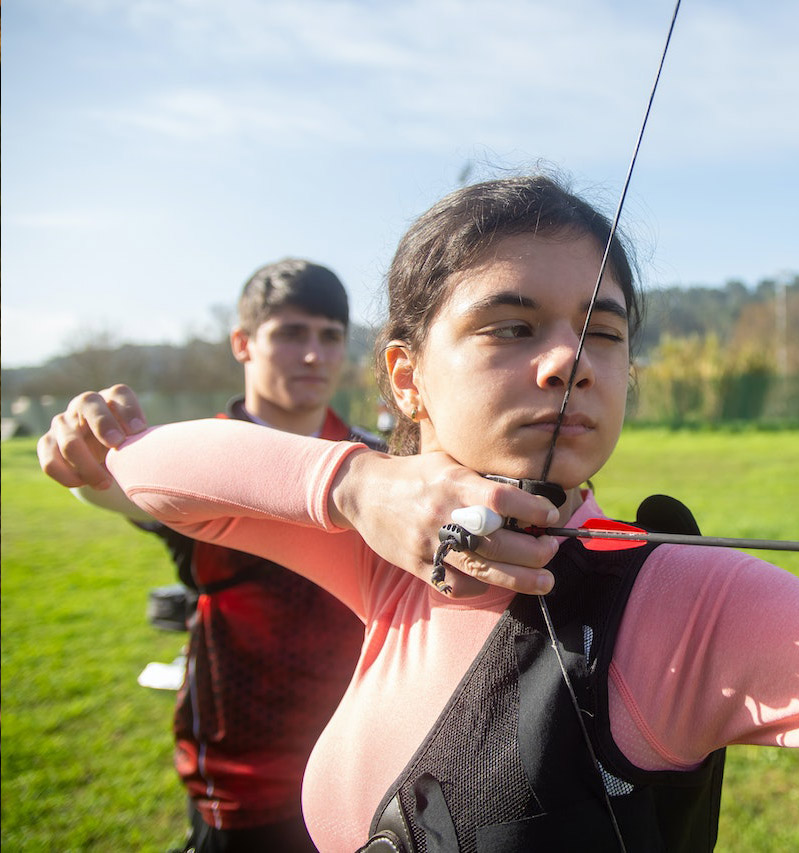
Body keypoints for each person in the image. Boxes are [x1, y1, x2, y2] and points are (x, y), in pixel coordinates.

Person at [82, 177, 799, 853]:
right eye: (510, 326)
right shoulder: (385, 558)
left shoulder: (685, 604)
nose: (567, 362)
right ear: (403, 375)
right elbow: (150, 467)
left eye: (600, 332)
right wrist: (358, 484)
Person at [37, 258, 553, 853]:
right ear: (243, 344)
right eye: (290, 333)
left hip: (374, 771)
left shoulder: (388, 461)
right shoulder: (196, 456)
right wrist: (84, 451)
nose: (314, 355)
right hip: (246, 777)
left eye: (330, 336)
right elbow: (110, 486)